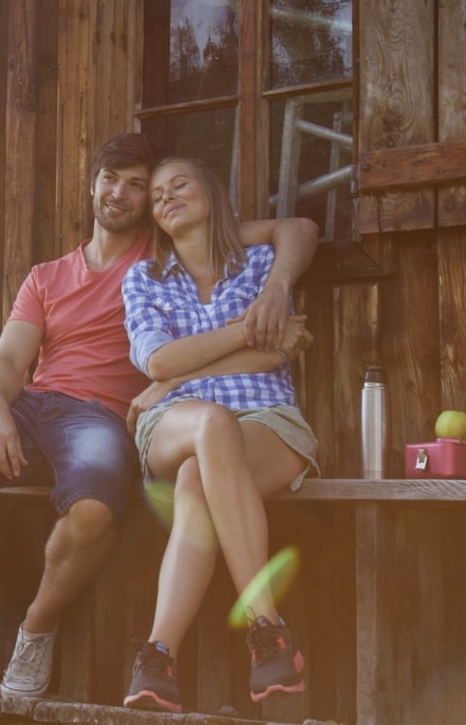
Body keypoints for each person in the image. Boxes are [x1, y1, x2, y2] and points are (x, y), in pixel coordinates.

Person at [0, 135, 317, 698]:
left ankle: (36, 628)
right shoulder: (48, 276)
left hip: (98, 420)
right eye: (111, 179)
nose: (122, 193)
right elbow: (7, 362)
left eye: (137, 186)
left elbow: (286, 232)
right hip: (31, 407)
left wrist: (276, 290)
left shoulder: (167, 250)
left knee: (93, 510)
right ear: (92, 186)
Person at [119, 156, 321, 712]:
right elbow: (158, 361)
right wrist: (243, 334)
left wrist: (274, 295)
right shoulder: (144, 278)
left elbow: (274, 354)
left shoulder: (259, 265)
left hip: (266, 419)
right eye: (156, 195)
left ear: (210, 192)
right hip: (174, 420)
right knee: (210, 424)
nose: (165, 197)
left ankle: (157, 657)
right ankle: (268, 628)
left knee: (196, 479)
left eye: (179, 184)